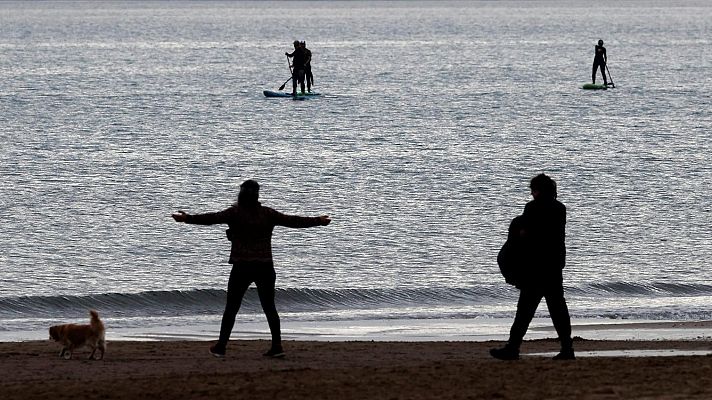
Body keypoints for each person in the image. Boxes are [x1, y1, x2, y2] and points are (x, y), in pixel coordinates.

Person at [172, 179, 331, 358]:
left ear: (241, 193)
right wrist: (318, 221)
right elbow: (293, 221)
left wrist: (187, 219)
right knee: (269, 307)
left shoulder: (235, 213)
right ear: (257, 195)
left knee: (231, 307)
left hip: (242, 266)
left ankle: (221, 346)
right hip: (265, 266)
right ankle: (277, 346)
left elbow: (211, 218)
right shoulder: (267, 214)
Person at [490, 174, 575, 361]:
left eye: (533, 189)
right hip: (554, 265)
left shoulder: (532, 207)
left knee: (525, 310)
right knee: (558, 308)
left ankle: (513, 348)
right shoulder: (560, 209)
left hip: (535, 267)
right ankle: (567, 348)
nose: (532, 193)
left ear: (538, 190)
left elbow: (525, 234)